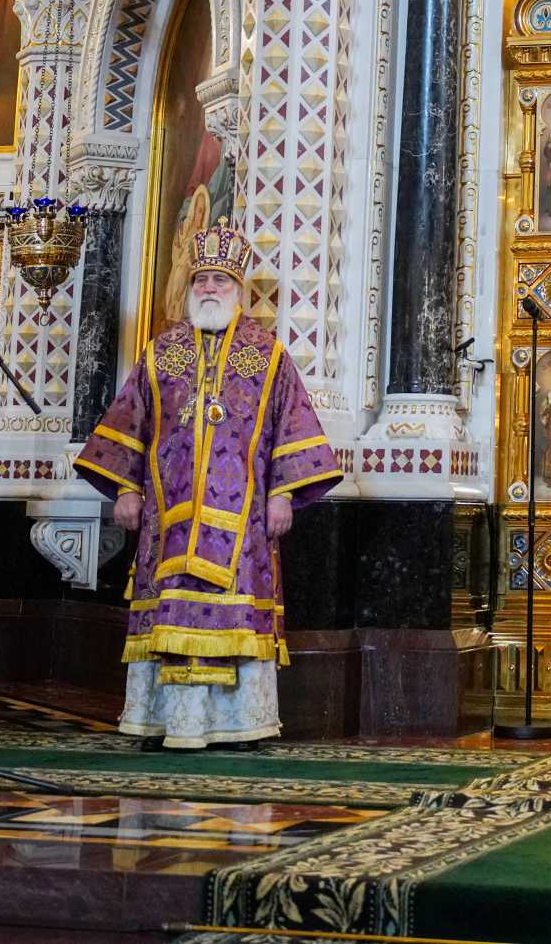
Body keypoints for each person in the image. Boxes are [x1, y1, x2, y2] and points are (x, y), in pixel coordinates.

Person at [74, 221, 342, 750]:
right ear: (190, 287)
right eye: (201, 279)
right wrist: (126, 489)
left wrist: (283, 493)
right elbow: (130, 421)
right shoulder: (161, 352)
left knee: (235, 609)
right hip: (168, 515)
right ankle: (165, 722)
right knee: (169, 605)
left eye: (220, 279)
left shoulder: (268, 355)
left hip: (244, 519)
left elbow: (291, 425)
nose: (210, 288)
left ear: (238, 288)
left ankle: (239, 724)